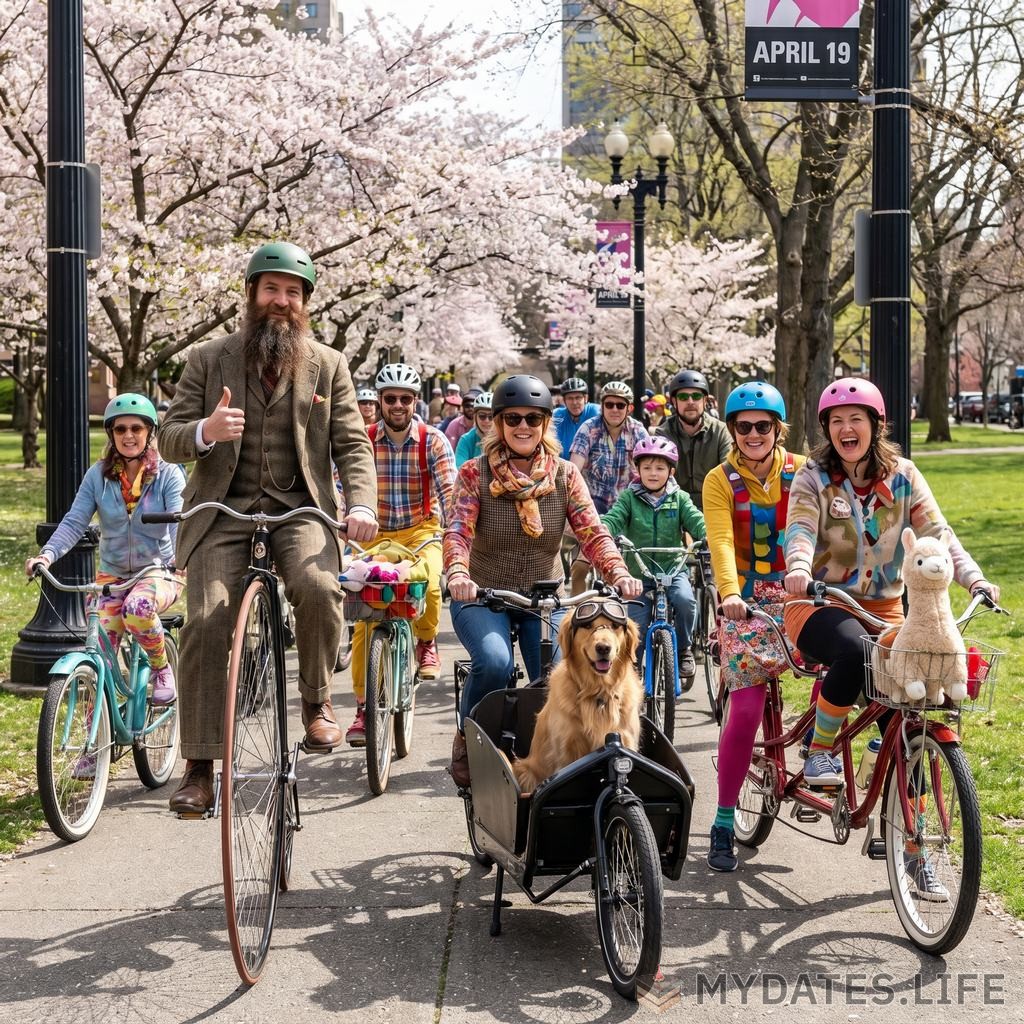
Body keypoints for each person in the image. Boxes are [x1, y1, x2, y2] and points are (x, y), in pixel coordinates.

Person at [159, 241, 378, 814]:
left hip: (299, 507)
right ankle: (201, 765)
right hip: (222, 510)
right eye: (271, 289)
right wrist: (205, 430)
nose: (281, 301)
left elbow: (352, 443)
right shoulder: (209, 359)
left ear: (304, 303)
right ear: (252, 295)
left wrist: (362, 505)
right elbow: (168, 435)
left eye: (293, 293)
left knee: (318, 586)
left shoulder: (328, 364)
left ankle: (315, 701)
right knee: (206, 619)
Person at [784, 378, 999, 799]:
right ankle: (820, 749)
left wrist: (974, 578)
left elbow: (939, 535)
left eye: (856, 419)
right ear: (827, 429)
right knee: (858, 650)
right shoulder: (812, 477)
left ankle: (914, 847)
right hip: (819, 602)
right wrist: (797, 566)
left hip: (887, 612)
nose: (846, 429)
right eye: (836, 421)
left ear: (875, 425)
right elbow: (800, 529)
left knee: (906, 718)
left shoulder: (904, 476)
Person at [444, 374, 643, 786]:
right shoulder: (472, 474)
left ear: (545, 424)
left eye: (533, 419)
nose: (523, 427)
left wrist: (618, 571)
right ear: (497, 423)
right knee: (495, 662)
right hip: (483, 594)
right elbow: (458, 532)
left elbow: (593, 532)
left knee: (558, 672)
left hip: (545, 598)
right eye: (512, 418)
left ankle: (558, 761)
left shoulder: (566, 475)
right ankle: (468, 739)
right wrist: (458, 573)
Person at [701, 382, 805, 872]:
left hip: (801, 595)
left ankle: (826, 769)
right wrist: (729, 595)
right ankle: (723, 821)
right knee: (745, 709)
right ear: (733, 431)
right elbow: (720, 539)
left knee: (854, 680)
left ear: (778, 428)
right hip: (744, 601)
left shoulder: (803, 471)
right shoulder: (719, 479)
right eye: (743, 427)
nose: (754, 435)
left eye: (764, 426)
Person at [25, 394, 185, 705]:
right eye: (120, 429)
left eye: (136, 428)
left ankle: (161, 669)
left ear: (150, 432)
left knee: (137, 610)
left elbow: (179, 520)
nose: (128, 436)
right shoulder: (98, 475)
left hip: (160, 571)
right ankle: (92, 745)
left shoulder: (167, 474)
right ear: (111, 433)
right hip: (111, 576)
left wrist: (182, 556)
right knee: (98, 656)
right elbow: (74, 522)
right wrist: (47, 555)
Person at [344, 363, 457, 745]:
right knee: (362, 617)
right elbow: (341, 485)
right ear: (379, 401)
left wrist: (457, 532)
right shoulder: (362, 439)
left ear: (415, 401)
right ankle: (363, 707)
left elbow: (450, 494)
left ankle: (426, 641)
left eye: (404, 399)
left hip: (420, 529)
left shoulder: (433, 440)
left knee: (429, 583)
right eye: (389, 398)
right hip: (372, 533)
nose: (397, 405)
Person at [601, 436, 705, 677]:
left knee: (685, 601)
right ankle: (632, 670)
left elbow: (696, 520)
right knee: (634, 626)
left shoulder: (679, 498)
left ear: (671, 471)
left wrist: (707, 535)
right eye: (647, 467)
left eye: (660, 468)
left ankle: (683, 648)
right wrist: (603, 529)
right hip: (638, 573)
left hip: (672, 568)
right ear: (637, 470)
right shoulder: (629, 498)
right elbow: (614, 517)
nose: (653, 473)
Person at [567, 380, 649, 593]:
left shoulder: (638, 430)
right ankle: (576, 614)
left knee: (623, 571)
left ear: (629, 408)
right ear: (601, 406)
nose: (614, 409)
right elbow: (574, 469)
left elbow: (651, 466)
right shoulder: (589, 428)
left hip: (628, 507)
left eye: (620, 405)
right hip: (593, 508)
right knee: (579, 568)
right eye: (609, 404)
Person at [656, 369, 731, 511]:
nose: (690, 402)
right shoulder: (663, 433)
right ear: (674, 401)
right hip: (673, 507)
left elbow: (728, 471)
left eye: (696, 396)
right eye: (683, 397)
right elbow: (659, 478)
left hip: (715, 504)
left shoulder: (721, 431)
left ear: (705, 400)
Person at [552, 376, 599, 454]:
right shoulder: (556, 415)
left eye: (578, 398)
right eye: (570, 398)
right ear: (564, 401)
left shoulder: (596, 412)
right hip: (562, 464)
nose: (574, 402)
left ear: (586, 398)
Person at [454, 391, 494, 467]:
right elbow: (460, 469)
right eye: (482, 416)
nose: (486, 420)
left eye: (491, 417)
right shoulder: (466, 439)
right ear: (475, 417)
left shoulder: (504, 438)